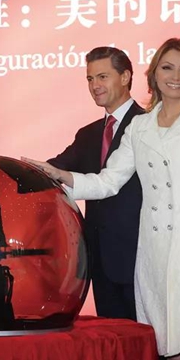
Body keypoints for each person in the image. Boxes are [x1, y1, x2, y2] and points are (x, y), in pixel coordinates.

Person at [24, 38, 180, 360]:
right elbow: (108, 181)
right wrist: (62, 175)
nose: (176, 77)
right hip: (155, 253)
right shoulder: (140, 127)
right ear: (154, 73)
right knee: (171, 351)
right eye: (167, 68)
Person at [47, 47, 144, 321]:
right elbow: (55, 168)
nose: (95, 86)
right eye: (90, 79)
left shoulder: (147, 125)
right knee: (113, 338)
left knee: (148, 339)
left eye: (102, 77)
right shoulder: (88, 134)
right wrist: (16, 171)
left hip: (141, 256)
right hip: (100, 260)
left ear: (125, 77)